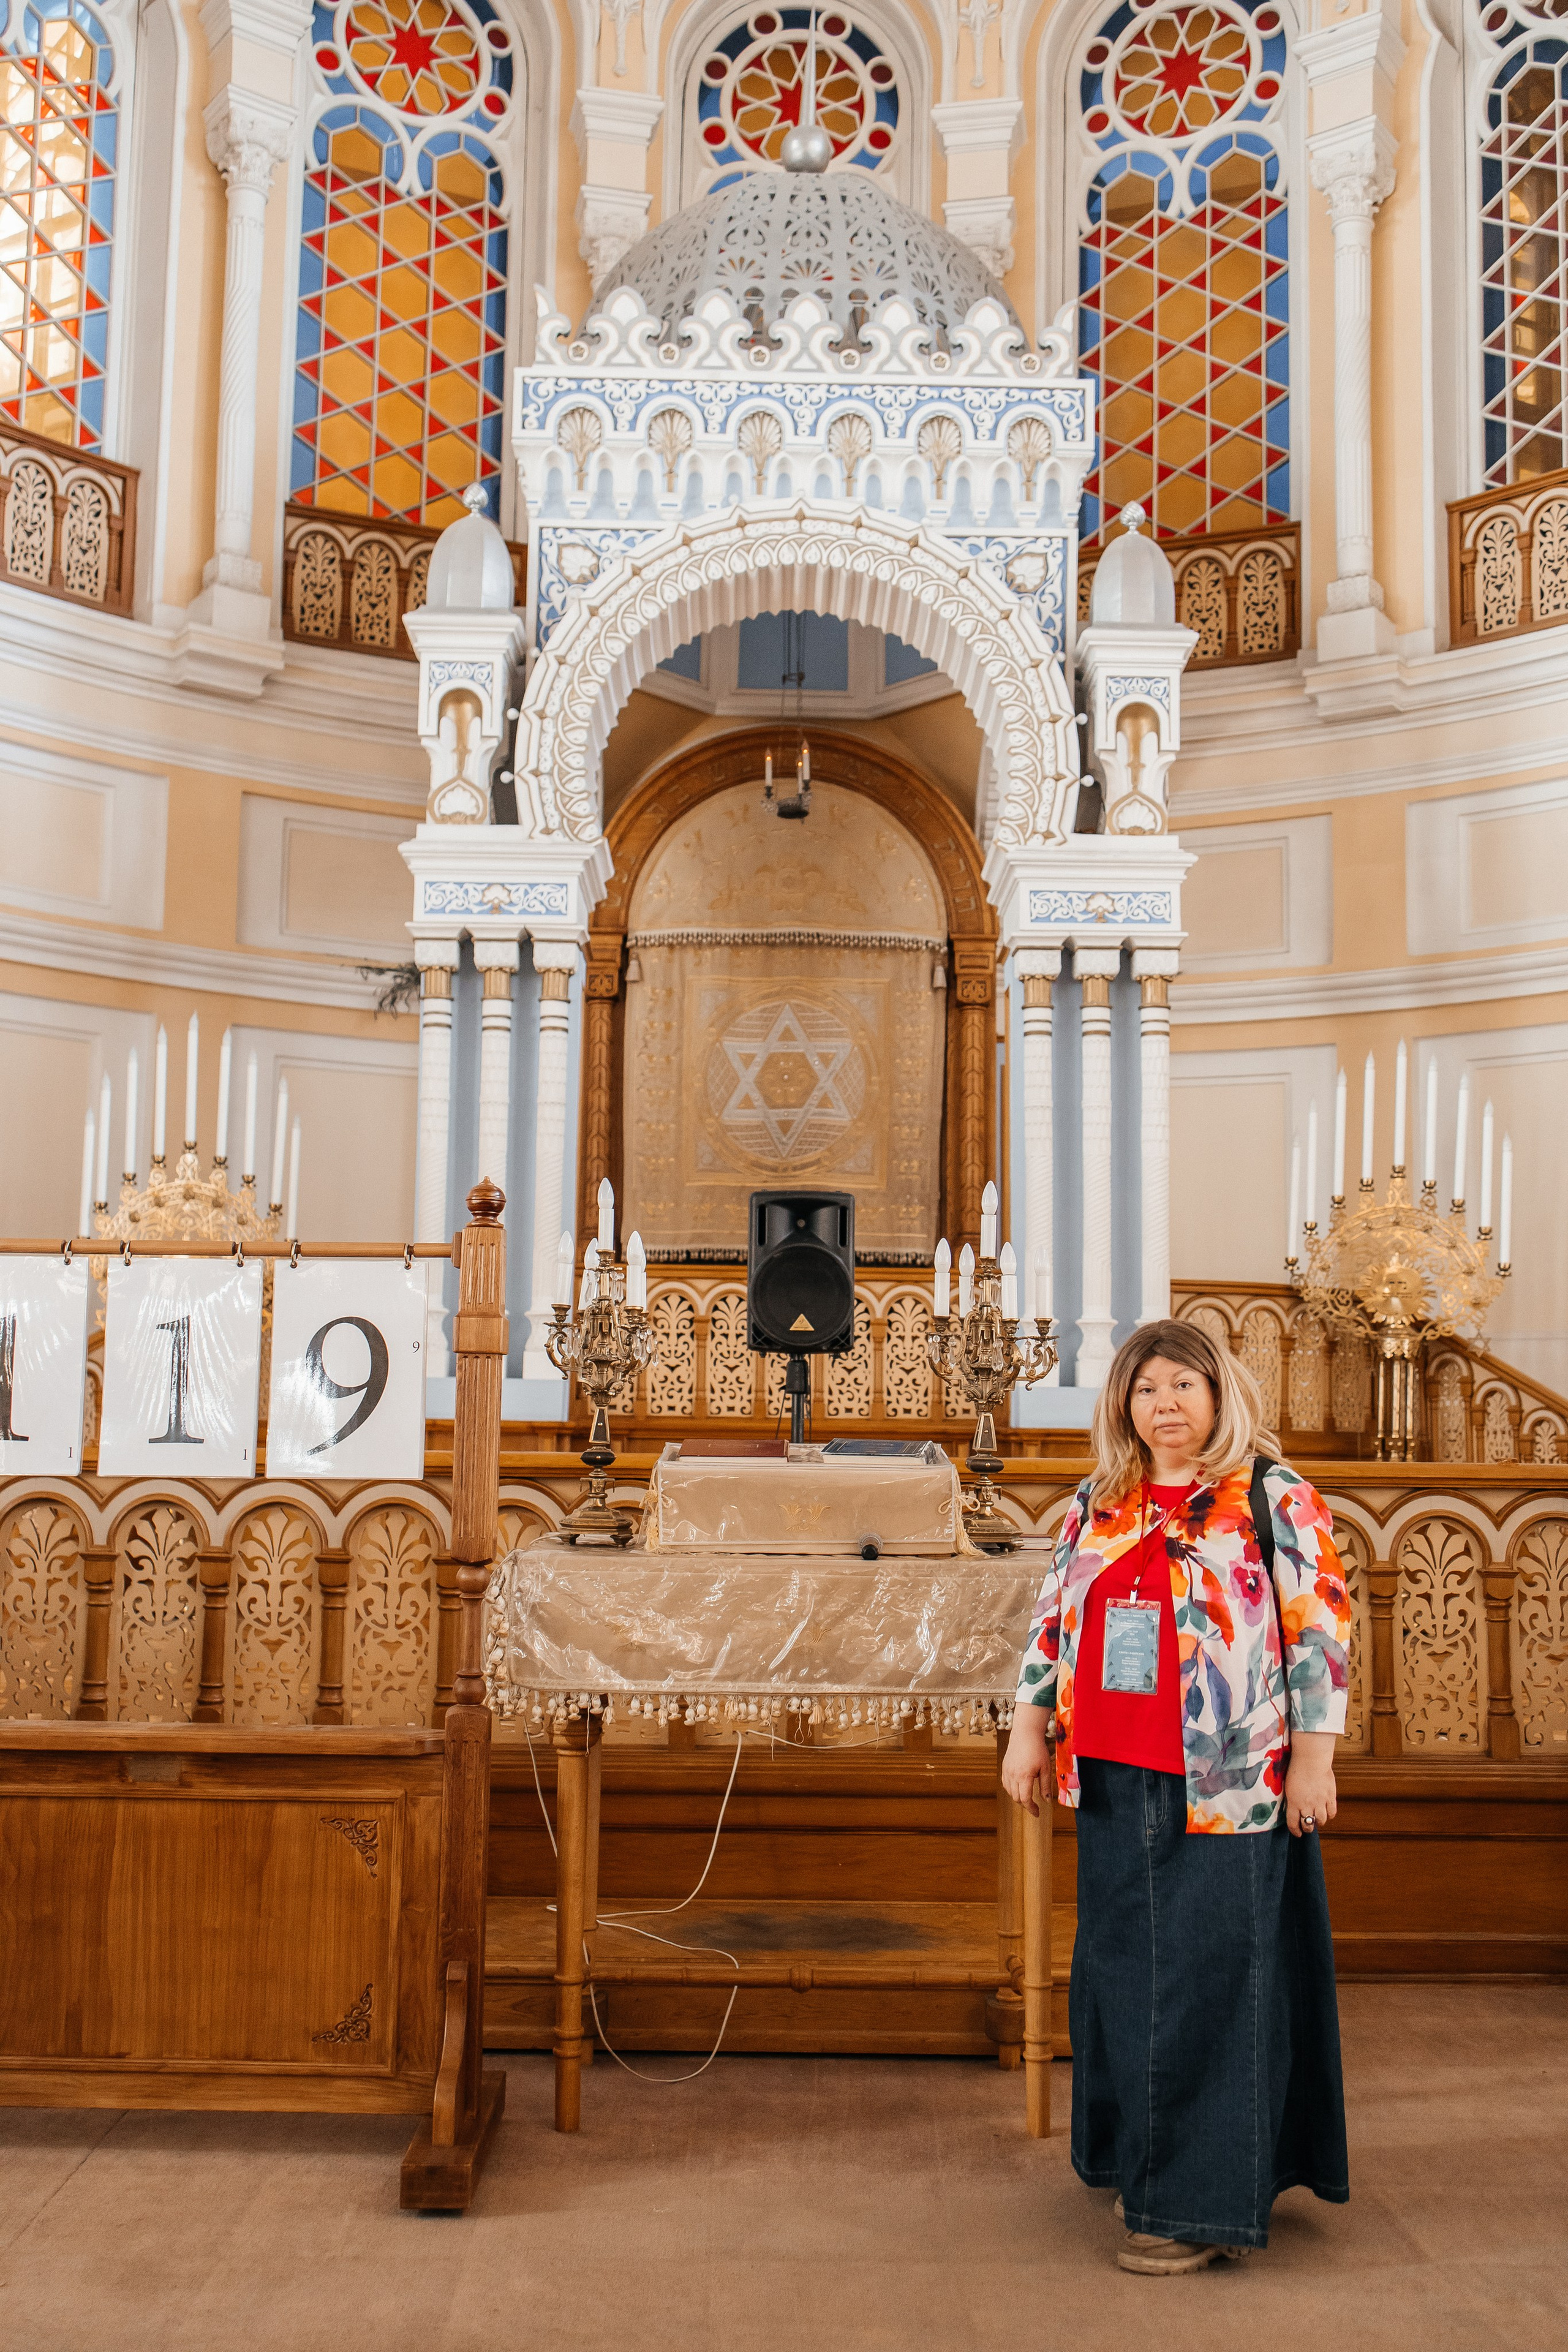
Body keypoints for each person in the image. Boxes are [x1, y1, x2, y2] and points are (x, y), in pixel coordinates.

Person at [1001, 1317, 1352, 2275]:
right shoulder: (1098, 1499)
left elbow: (1318, 1632)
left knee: (1207, 1981)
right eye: (1147, 1388)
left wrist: (1315, 1760)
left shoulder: (1273, 1495)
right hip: (1111, 1773)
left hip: (1232, 1780)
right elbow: (1050, 1624)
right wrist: (1028, 1731)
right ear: (1125, 1404)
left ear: (1219, 1395)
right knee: (1124, 1974)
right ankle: (1143, 2160)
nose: (1166, 1406)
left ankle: (1196, 2206)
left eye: (1184, 1387)